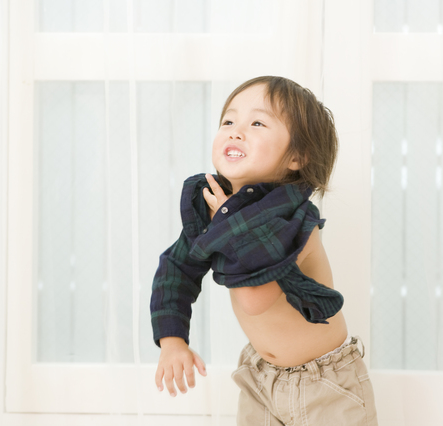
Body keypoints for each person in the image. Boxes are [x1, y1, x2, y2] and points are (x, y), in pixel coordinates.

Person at [150, 76, 378, 425]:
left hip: (325, 385)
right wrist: (172, 340)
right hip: (260, 377)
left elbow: (254, 299)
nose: (236, 132)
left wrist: (226, 222)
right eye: (229, 121)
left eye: (257, 123)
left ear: (297, 157)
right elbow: (177, 268)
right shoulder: (213, 207)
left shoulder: (296, 219)